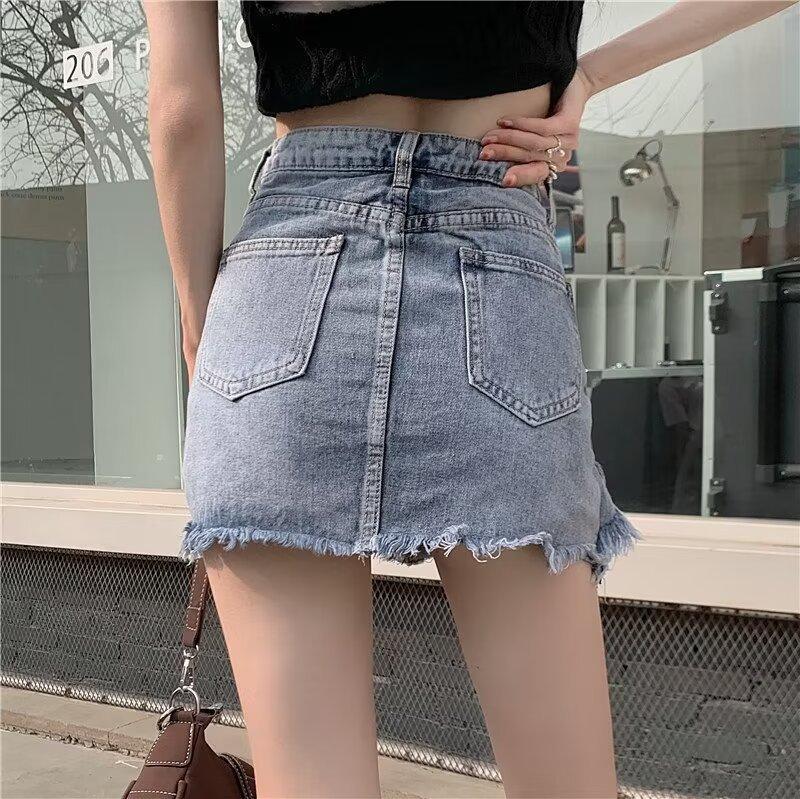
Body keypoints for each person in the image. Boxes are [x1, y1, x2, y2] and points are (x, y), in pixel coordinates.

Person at [143, 2, 794, 796]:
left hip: (285, 274)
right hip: (493, 243)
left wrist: (199, 326)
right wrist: (589, 75)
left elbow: (182, 108)